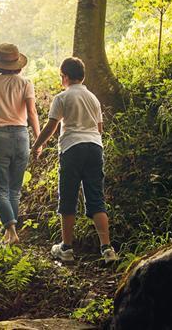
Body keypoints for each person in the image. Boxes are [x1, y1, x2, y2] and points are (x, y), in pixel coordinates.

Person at [31, 57, 118, 263]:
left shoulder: (62, 97)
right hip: (95, 148)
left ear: (66, 76)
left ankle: (67, 248)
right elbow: (99, 129)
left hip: (72, 148)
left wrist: (37, 145)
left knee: (68, 197)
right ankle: (107, 249)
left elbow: (51, 126)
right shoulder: (93, 98)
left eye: (61, 76)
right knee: (96, 198)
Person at [0, 43, 40, 244]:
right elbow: (32, 112)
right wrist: (38, 140)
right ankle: (9, 233)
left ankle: (11, 231)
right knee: (14, 189)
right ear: (17, 64)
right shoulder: (26, 83)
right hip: (21, 135)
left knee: (0, 188)